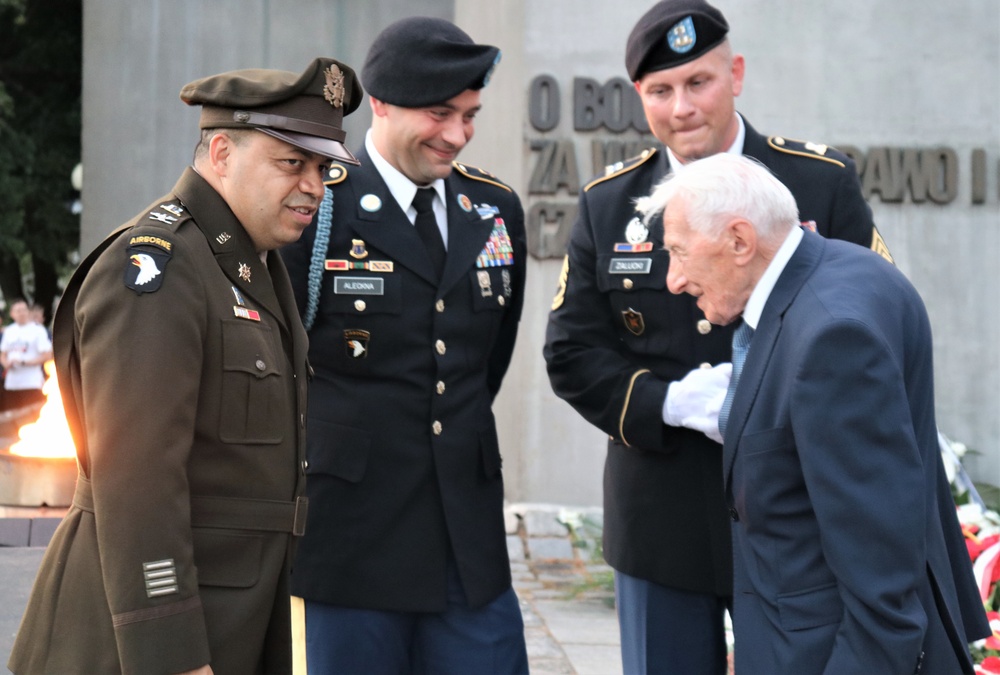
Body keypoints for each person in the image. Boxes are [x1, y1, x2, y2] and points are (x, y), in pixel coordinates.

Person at [543, 1, 894, 672]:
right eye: (660, 91)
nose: (682, 108)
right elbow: (572, 350)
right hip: (662, 517)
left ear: (735, 73)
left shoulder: (820, 184)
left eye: (698, 82)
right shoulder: (608, 204)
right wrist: (669, 402)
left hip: (796, 513)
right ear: (639, 98)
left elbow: (874, 324)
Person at [8, 56, 362, 675]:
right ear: (221, 152)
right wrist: (170, 655)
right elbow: (137, 483)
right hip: (139, 640)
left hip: (231, 616)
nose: (314, 184)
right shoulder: (159, 268)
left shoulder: (249, 264)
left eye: (322, 167)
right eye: (292, 163)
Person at [642, 151, 992, 673]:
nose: (673, 279)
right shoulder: (847, 269)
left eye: (679, 252)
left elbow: (880, 578)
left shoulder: (832, 336)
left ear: (740, 241)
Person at [280, 16, 529, 674]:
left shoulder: (494, 210)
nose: (457, 134)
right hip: (353, 543)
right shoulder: (314, 205)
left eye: (470, 115)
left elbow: (483, 363)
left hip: (467, 546)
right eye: (440, 113)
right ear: (382, 102)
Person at [0, 298, 53, 410]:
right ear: (12, 314)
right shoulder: (9, 331)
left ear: (28, 312)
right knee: (13, 419)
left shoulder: (38, 330)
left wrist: (24, 362)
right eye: (18, 311)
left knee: (32, 416)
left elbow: (48, 355)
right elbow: (3, 354)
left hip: (32, 383)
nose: (21, 313)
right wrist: (6, 363)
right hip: (12, 384)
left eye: (24, 310)